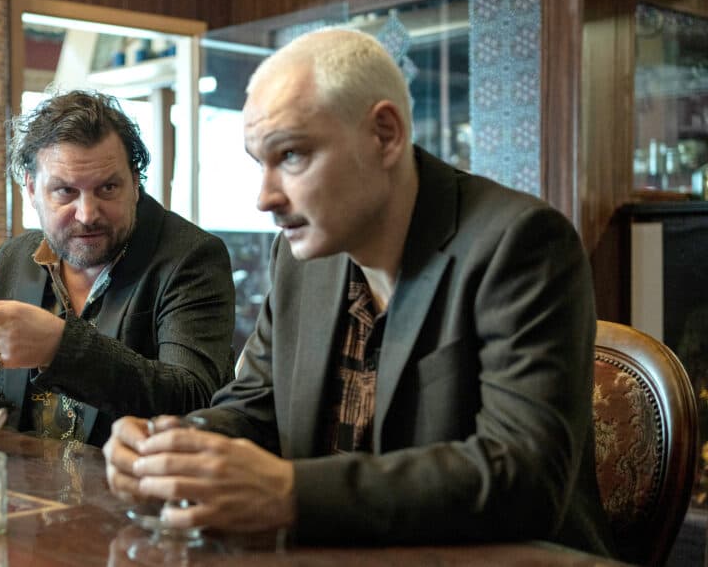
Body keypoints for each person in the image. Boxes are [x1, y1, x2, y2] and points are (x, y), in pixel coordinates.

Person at [103, 28, 615, 557]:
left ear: (385, 135)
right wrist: (177, 446)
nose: (264, 198)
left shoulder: (520, 243)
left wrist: (291, 494)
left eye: (292, 155)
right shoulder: (299, 259)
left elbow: (524, 480)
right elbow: (256, 407)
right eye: (260, 163)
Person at [0, 90, 235, 447]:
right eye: (65, 191)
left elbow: (194, 400)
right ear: (31, 189)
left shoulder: (191, 257)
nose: (88, 214)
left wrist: (59, 347)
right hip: (20, 479)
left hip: (127, 480)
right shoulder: (15, 258)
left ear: (135, 182)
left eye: (108, 187)